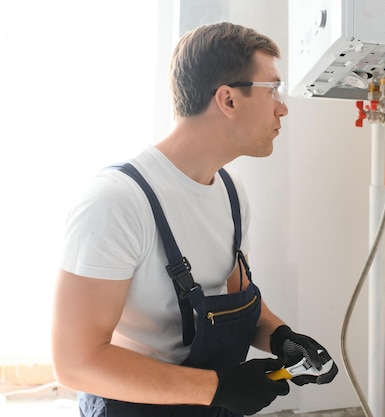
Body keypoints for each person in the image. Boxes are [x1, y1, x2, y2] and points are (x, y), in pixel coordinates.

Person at [51, 22, 338, 417]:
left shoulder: (232, 191)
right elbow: (76, 362)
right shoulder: (117, 202)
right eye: (273, 89)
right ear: (228, 100)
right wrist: (216, 387)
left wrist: (281, 338)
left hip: (208, 403)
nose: (283, 106)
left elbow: (234, 301)